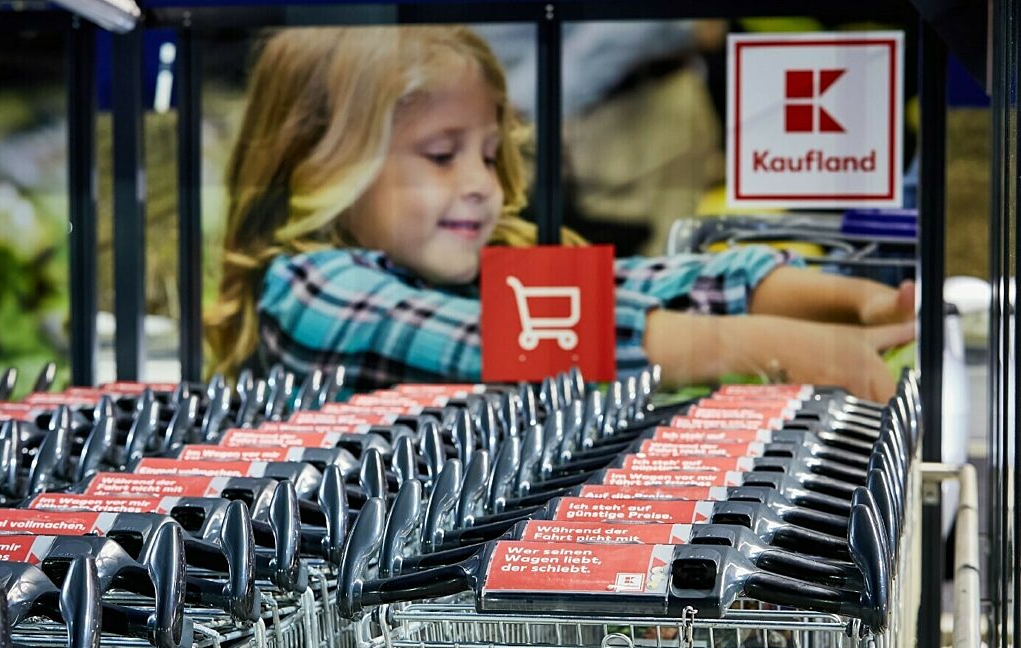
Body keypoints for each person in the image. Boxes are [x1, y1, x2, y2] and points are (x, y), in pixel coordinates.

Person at [206, 25, 915, 402]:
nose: (483, 184)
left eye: (488, 153)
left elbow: (639, 289)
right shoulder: (310, 290)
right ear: (325, 164)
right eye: (441, 154)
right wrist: (777, 348)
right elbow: (499, 343)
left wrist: (844, 301)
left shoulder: (460, 273)